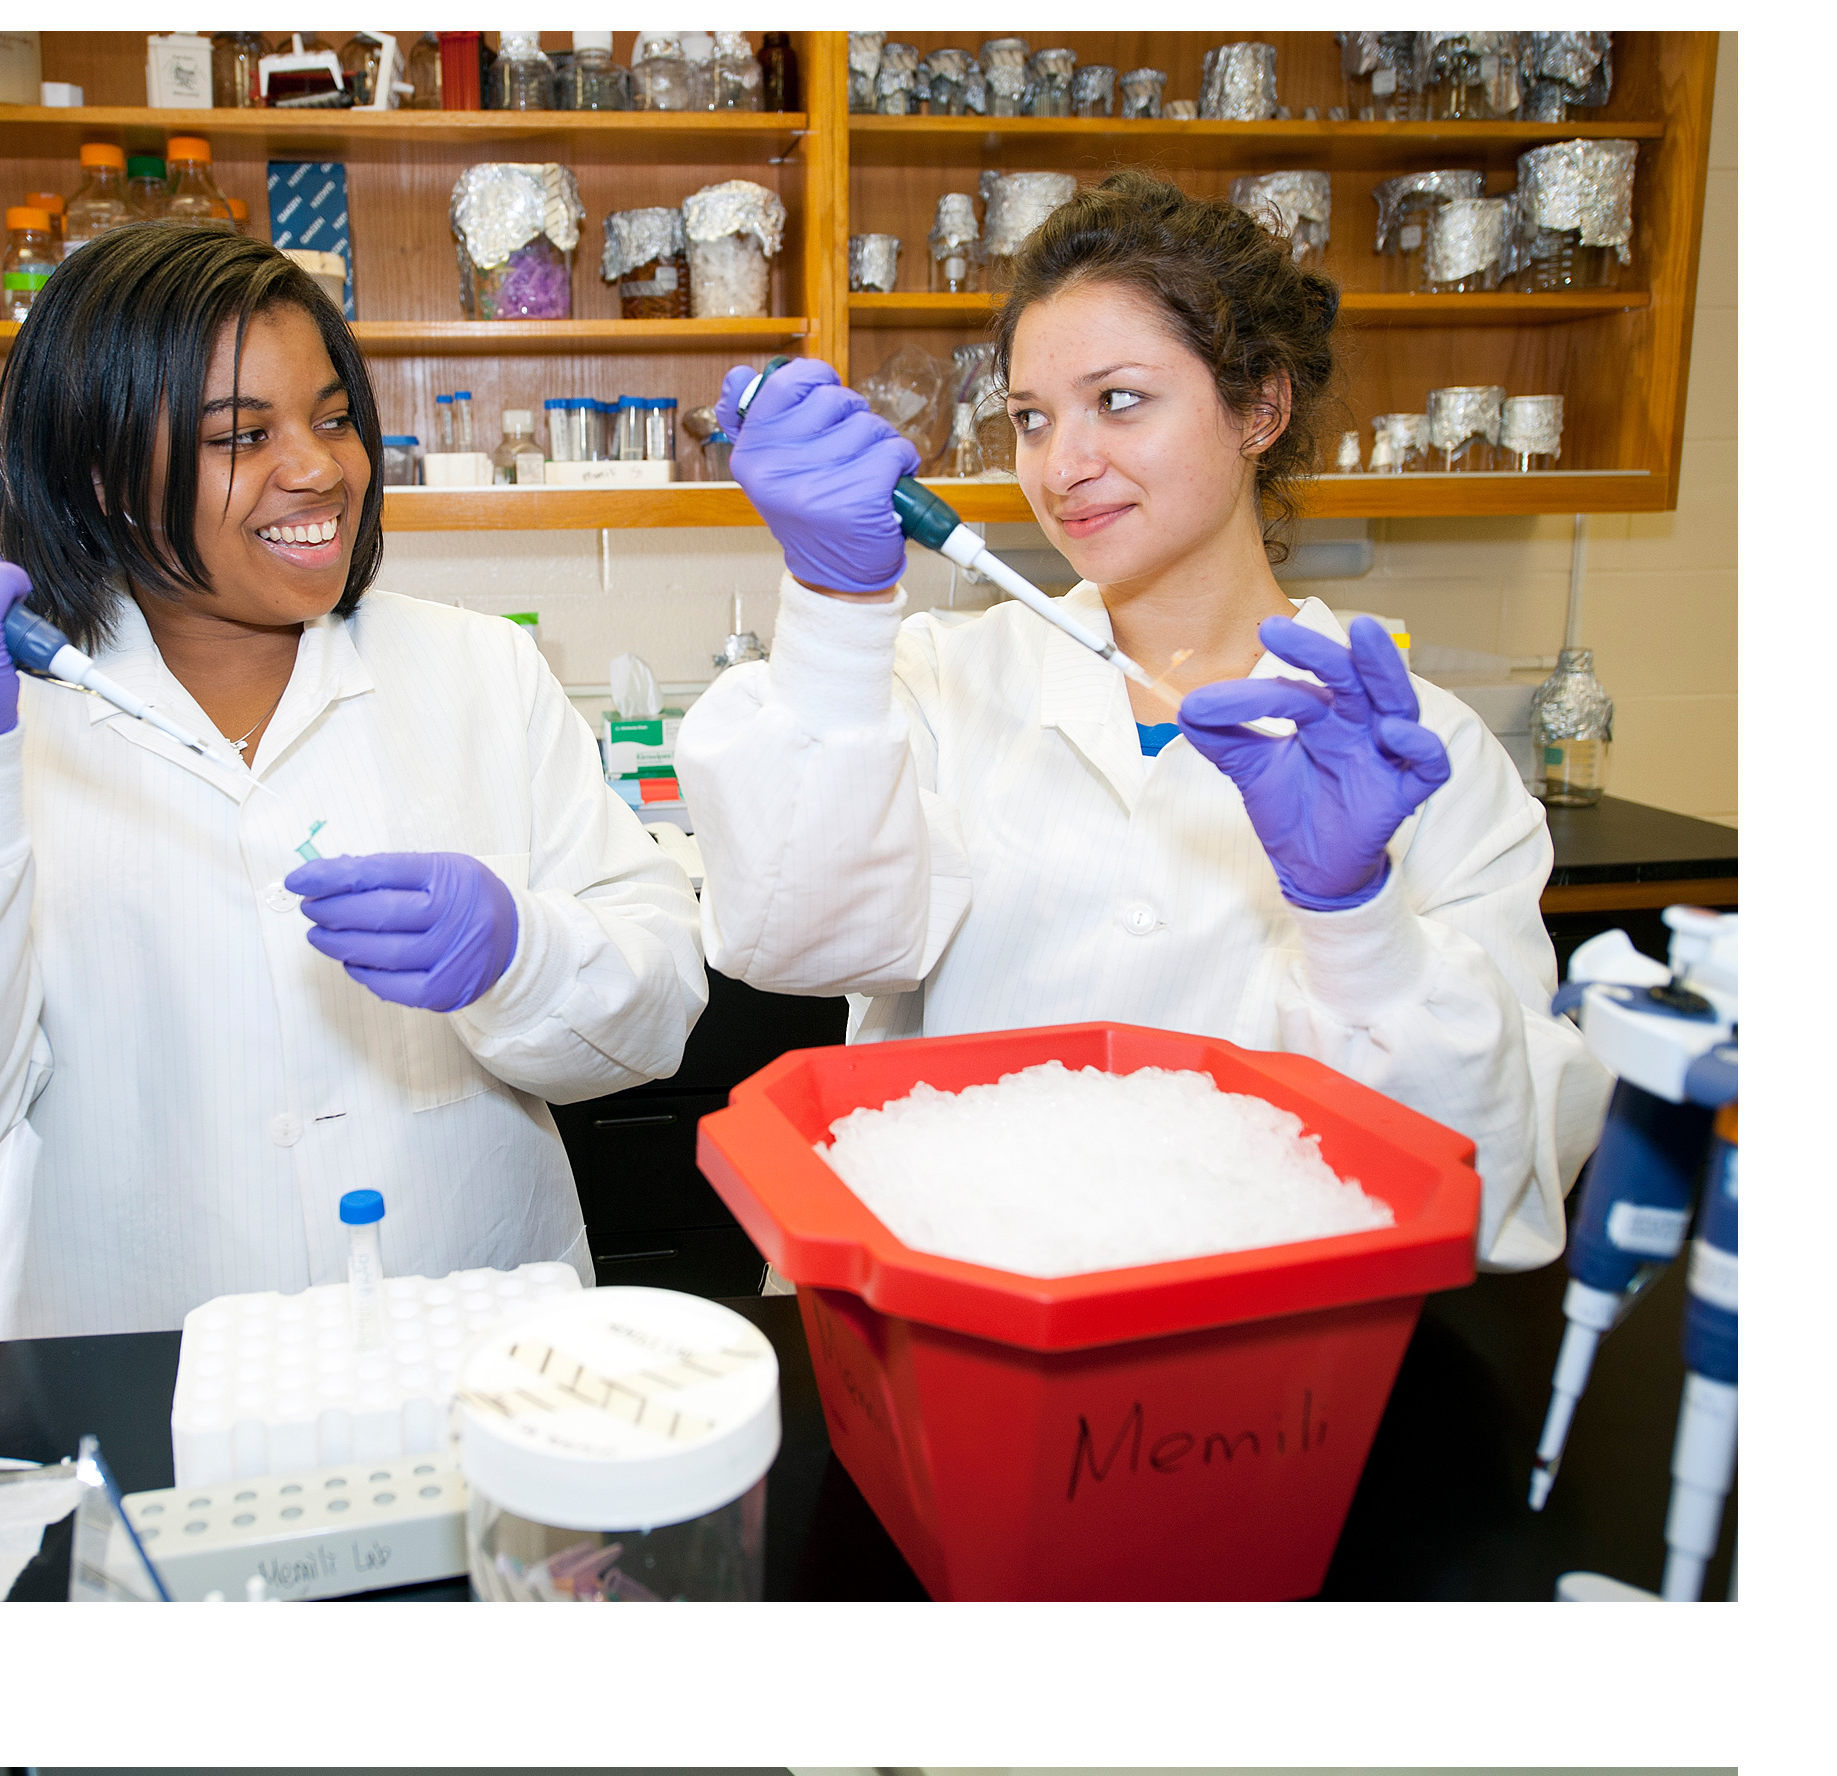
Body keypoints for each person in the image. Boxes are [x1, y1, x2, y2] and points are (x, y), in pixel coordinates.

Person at [0, 225, 704, 1338]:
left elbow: (655, 1015)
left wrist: (523, 953)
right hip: (135, 1375)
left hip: (476, 1354)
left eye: (332, 416)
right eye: (242, 435)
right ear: (105, 472)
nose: (319, 468)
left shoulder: (477, 670)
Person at [674, 177, 1607, 1270]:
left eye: (1118, 399)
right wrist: (833, 612)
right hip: (932, 1322)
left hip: (1250, 1362)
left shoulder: (1421, 754)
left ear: (1259, 405)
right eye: (1031, 417)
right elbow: (793, 940)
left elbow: (1491, 1191)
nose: (1062, 465)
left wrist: (1358, 923)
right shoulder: (940, 677)